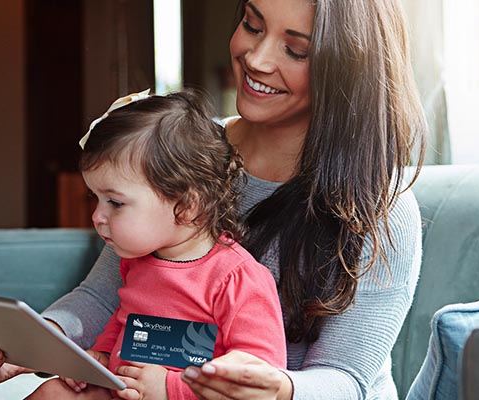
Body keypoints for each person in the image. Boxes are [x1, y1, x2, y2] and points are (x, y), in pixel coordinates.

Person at [0, 0, 427, 399]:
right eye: (252, 25)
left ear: (346, 71)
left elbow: (349, 378)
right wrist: (31, 344)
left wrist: (279, 388)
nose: (256, 59)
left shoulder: (377, 205)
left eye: (296, 50)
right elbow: (106, 295)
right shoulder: (189, 154)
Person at [29, 89, 286, 399]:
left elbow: (257, 375)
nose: (98, 216)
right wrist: (100, 355)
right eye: (95, 199)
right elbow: (125, 322)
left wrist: (171, 388)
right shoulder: (136, 263)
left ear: (188, 206)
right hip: (125, 391)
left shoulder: (237, 279)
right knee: (51, 392)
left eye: (115, 202)